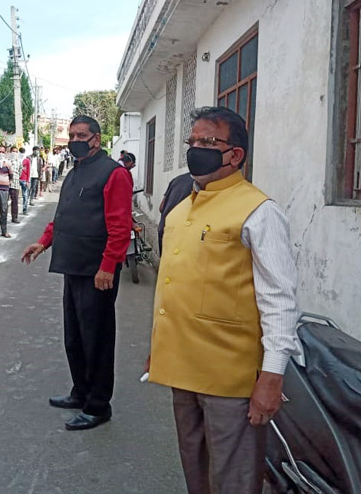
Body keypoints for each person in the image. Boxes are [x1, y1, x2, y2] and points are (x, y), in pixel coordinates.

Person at [147, 106, 300, 494]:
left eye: (208, 142)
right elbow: (174, 285)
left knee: (234, 477)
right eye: (193, 141)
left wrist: (272, 374)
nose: (196, 148)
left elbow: (279, 299)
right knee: (195, 470)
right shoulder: (182, 209)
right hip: (182, 366)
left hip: (230, 376)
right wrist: (159, 350)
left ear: (235, 155)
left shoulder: (259, 211)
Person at [21, 115, 133, 431]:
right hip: (73, 265)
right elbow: (64, 215)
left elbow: (121, 226)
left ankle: (98, 405)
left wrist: (108, 266)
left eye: (81, 134)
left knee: (96, 339)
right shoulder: (75, 172)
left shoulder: (115, 174)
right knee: (75, 337)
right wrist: (43, 243)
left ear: (96, 138)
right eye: (71, 134)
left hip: (97, 271)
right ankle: (80, 391)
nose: (74, 140)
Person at [157, 172, 194, 255]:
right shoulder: (201, 183)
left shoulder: (176, 180)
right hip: (181, 234)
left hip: (164, 229)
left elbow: (161, 207)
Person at [8, 146, 22, 224]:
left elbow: (20, 171)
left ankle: (15, 217)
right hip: (7, 183)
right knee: (4, 202)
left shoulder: (19, 161)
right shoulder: (7, 161)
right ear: (10, 152)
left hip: (16, 183)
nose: (14, 153)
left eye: (16, 151)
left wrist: (16, 177)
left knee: (15, 201)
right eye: (13, 151)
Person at [20, 149, 31, 215]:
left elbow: (28, 171)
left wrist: (27, 180)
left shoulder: (27, 160)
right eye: (21, 152)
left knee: (25, 195)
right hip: (17, 179)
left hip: (24, 179)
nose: (22, 153)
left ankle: (25, 209)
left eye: (23, 152)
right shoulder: (17, 160)